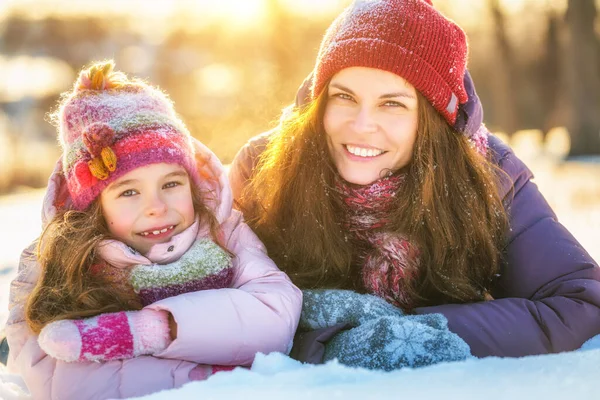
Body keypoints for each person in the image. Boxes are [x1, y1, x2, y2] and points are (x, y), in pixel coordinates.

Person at [230, 0, 600, 368]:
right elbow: (206, 306)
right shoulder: (264, 170)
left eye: (392, 104)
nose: (361, 125)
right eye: (344, 96)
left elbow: (580, 302)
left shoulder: (489, 175)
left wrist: (419, 331)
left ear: (432, 119)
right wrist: (324, 333)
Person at [5, 60, 302, 399]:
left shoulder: (223, 231)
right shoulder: (58, 260)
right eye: (129, 192)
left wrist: (153, 331)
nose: (157, 207)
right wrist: (214, 373)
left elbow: (274, 314)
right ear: (93, 207)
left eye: (171, 183)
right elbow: (62, 378)